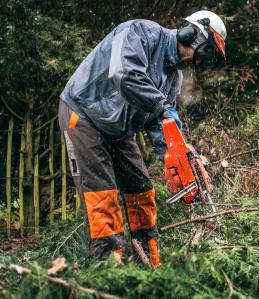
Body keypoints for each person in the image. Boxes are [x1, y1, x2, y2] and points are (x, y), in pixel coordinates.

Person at [58, 11, 226, 267]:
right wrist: (162, 106)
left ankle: (147, 262)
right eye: (207, 50)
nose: (204, 57)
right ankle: (109, 268)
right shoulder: (140, 33)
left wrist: (179, 159)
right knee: (102, 194)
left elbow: (160, 124)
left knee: (142, 190)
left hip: (118, 127)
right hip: (83, 114)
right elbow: (125, 75)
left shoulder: (173, 76)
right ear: (191, 34)